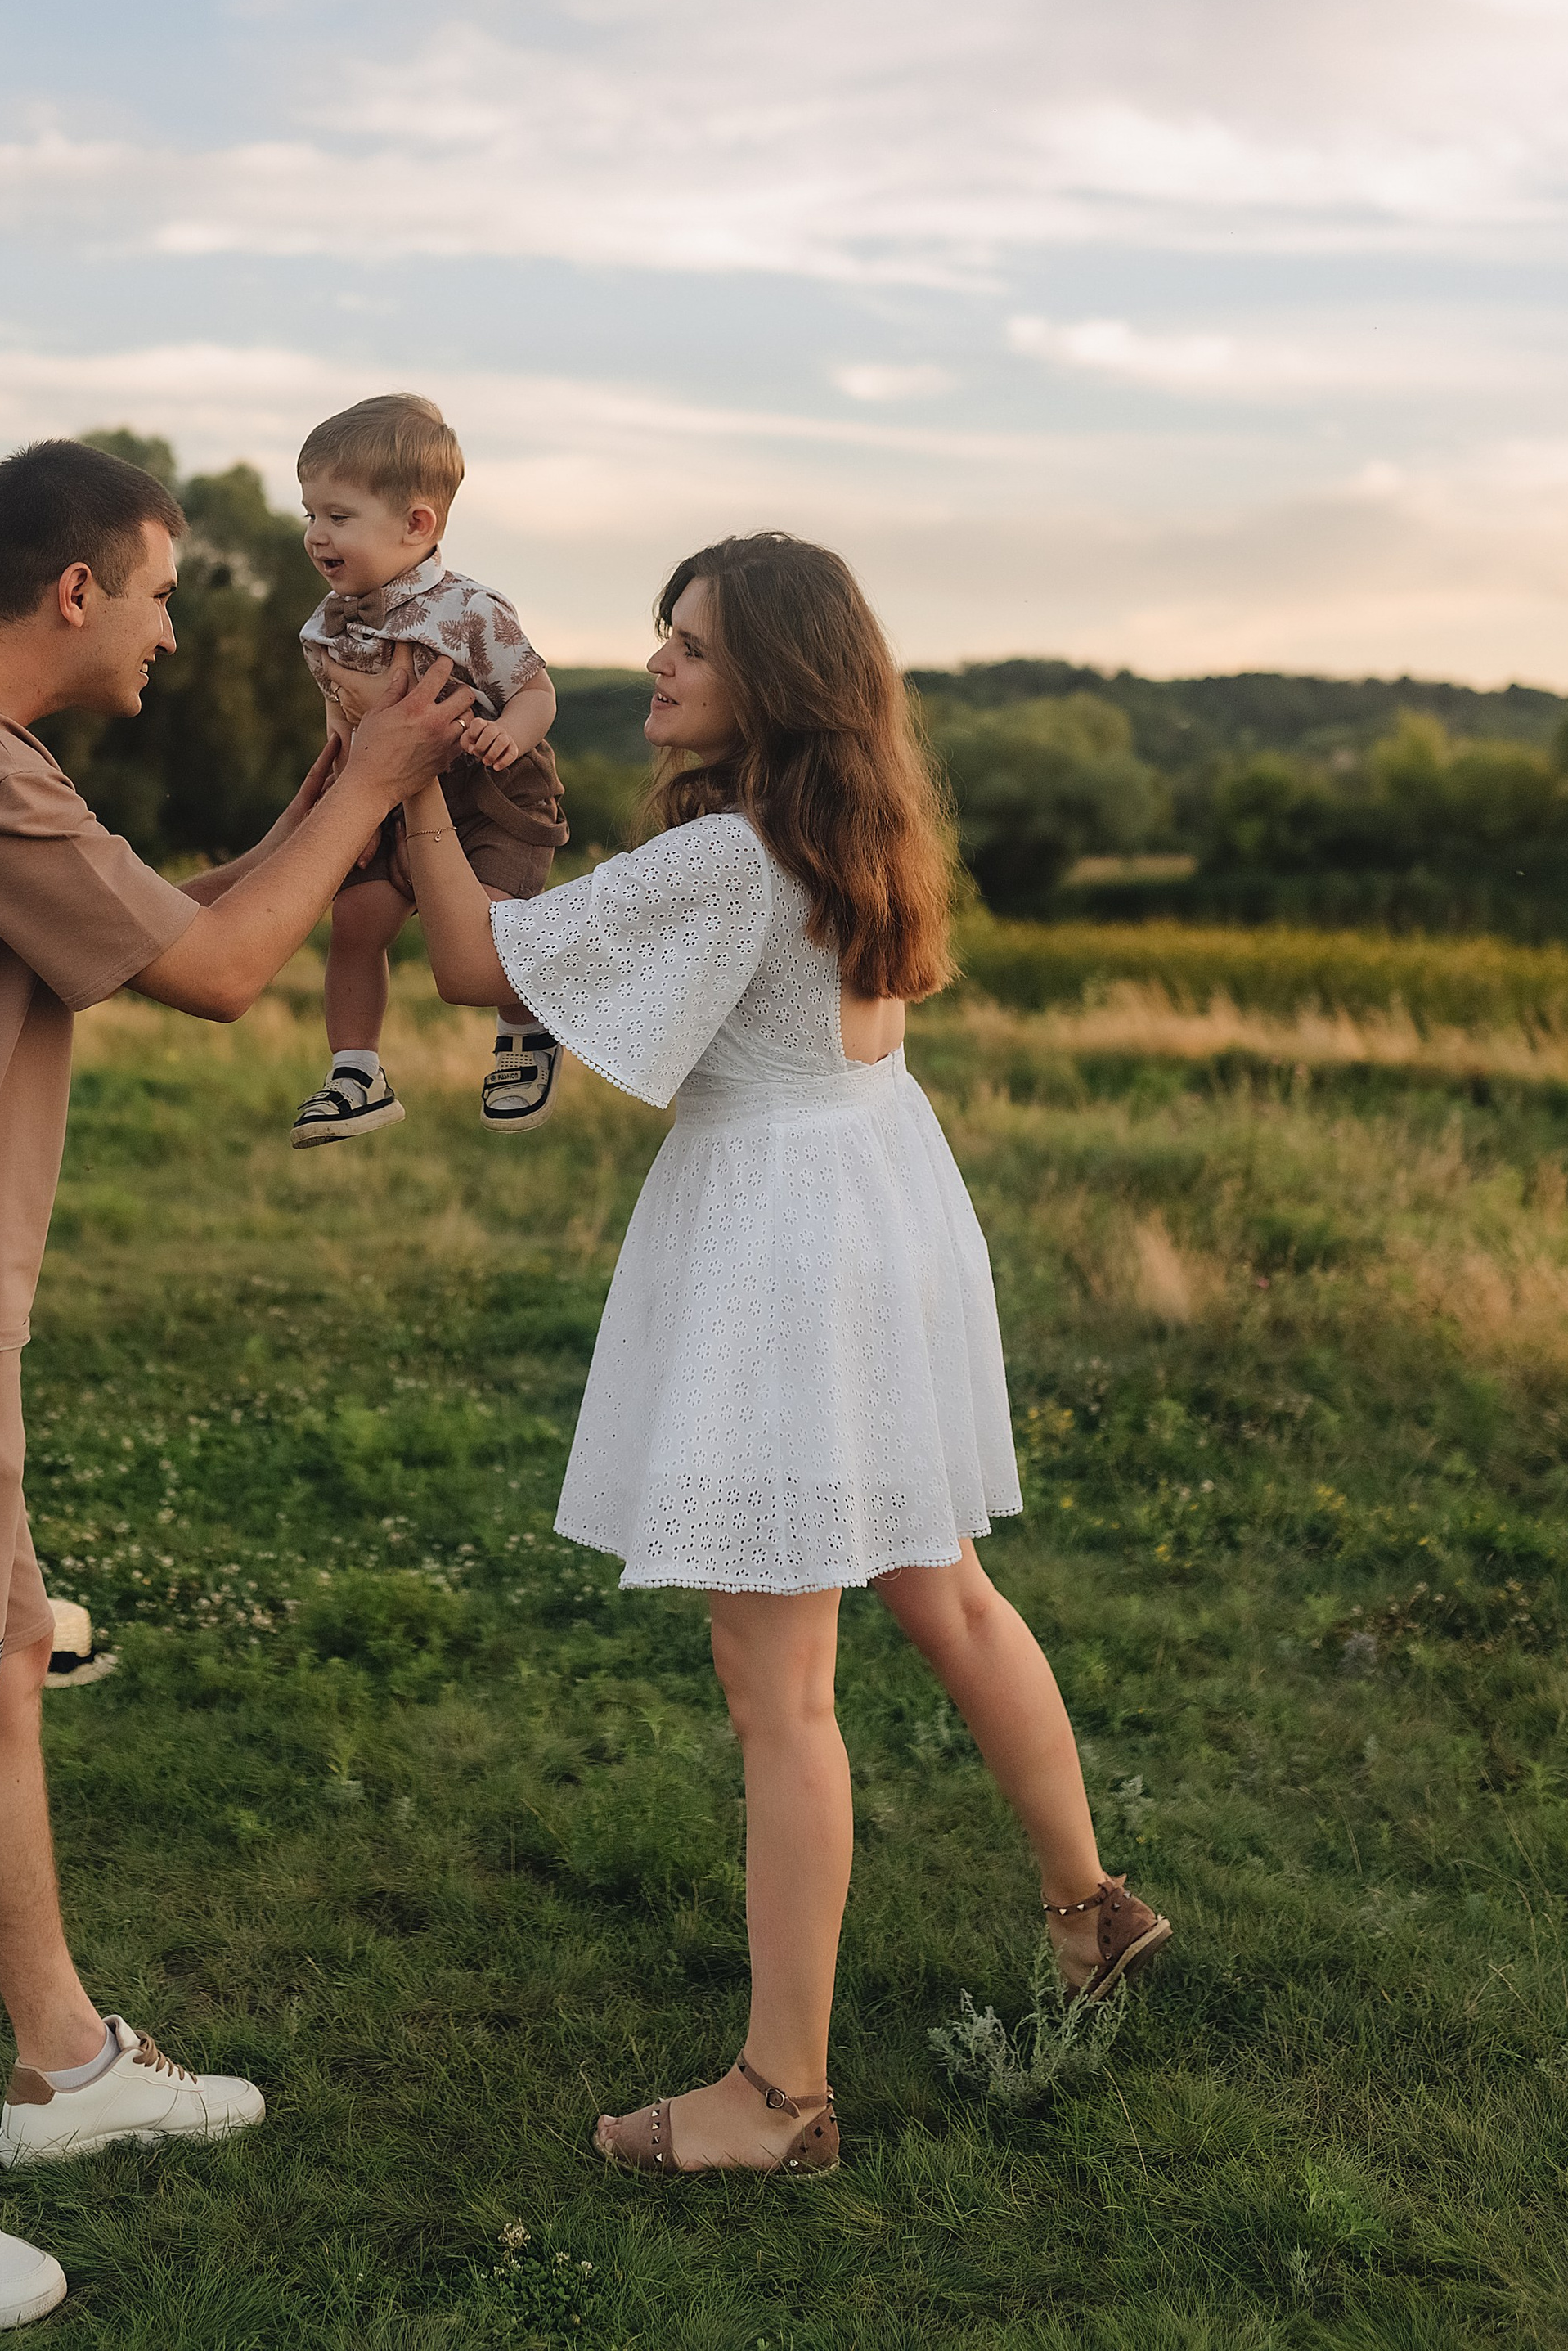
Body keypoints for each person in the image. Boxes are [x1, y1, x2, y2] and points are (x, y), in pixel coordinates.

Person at [0, 438, 474, 2324]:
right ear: (75, 589)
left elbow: (161, 916)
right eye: (153, 595)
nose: (163, 629)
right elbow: (216, 972)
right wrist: (376, 773)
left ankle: (63, 2061)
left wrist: (331, 784)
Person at [402, 531, 1170, 2179]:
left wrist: (401, 778)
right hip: (879, 1199)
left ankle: (778, 2089)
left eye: (689, 641)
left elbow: (475, 959)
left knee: (780, 1690)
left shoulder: (727, 857)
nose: (658, 665)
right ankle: (1084, 1903)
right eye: (659, 634)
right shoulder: (848, 830)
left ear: (774, 674)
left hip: (779, 1244)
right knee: (941, 1583)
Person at [290, 392, 569, 1146]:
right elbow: (342, 725)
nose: (316, 535)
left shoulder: (470, 610)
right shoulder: (328, 625)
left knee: (482, 929)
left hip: (486, 789)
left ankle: (527, 1028)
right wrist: (343, 811)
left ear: (418, 524)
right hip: (387, 791)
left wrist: (509, 734)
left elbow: (537, 691)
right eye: (310, 513)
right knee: (355, 923)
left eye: (338, 516)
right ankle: (356, 1072)